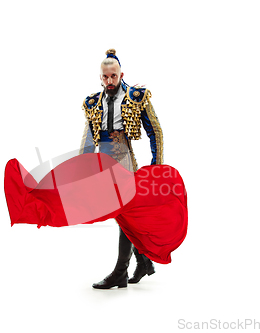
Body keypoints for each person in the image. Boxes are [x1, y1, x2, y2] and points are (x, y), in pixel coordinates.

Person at [79, 49, 164, 289]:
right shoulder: (93, 102)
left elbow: (154, 131)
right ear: (100, 77)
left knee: (124, 214)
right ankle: (144, 261)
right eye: (105, 77)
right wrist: (82, 167)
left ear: (121, 74)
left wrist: (156, 166)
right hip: (101, 165)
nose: (109, 81)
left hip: (124, 161)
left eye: (113, 77)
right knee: (122, 216)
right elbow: (89, 137)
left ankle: (120, 272)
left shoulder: (136, 97)